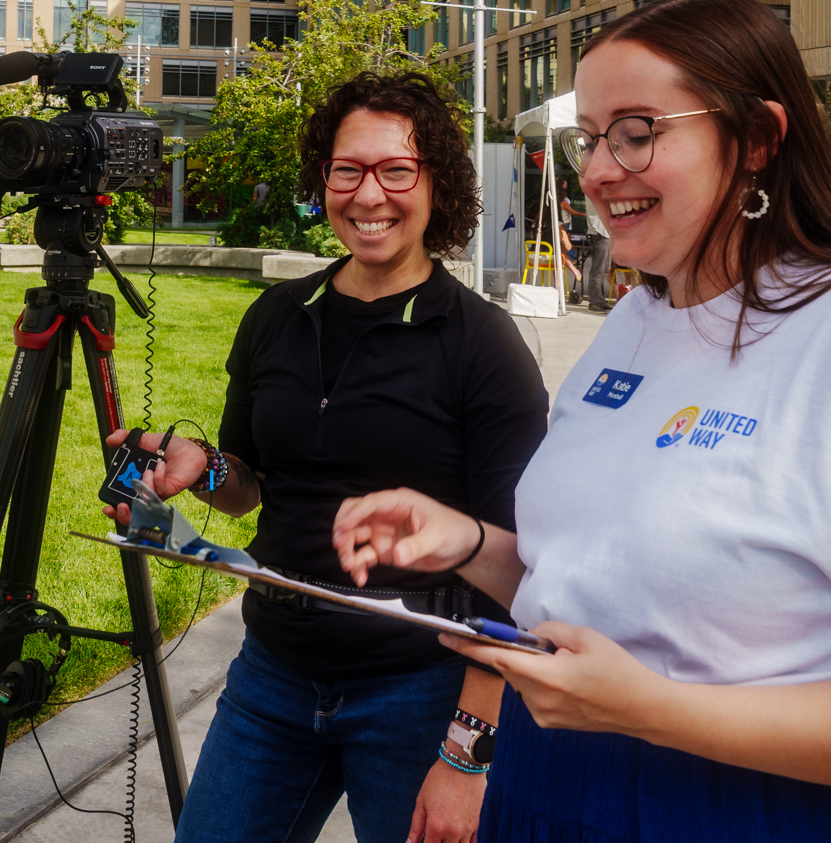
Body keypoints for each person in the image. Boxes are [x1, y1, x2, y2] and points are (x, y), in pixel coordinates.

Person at [334, 0, 831, 843]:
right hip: (550, 786)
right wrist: (466, 543)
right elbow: (599, 580)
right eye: (590, 137)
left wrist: (661, 711)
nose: (599, 169)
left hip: (769, 810)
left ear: (756, 139)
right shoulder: (635, 323)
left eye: (637, 131)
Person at [106, 72, 548, 843]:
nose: (368, 193)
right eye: (348, 170)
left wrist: (470, 751)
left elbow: (523, 563)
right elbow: (249, 487)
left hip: (420, 689)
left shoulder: (482, 344)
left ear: (435, 182)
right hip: (272, 675)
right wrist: (201, 467)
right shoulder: (276, 316)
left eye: (395, 170)